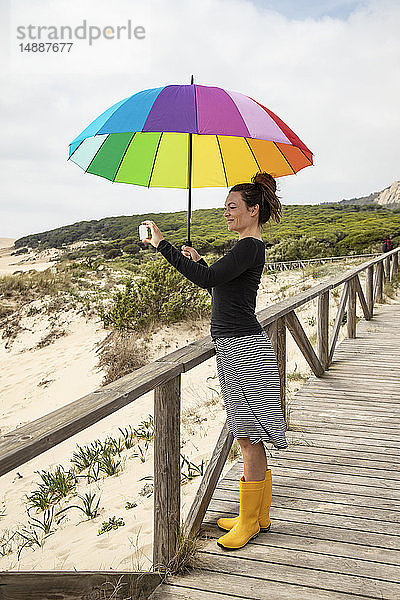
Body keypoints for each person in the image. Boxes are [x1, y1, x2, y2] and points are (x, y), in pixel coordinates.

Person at [141, 171, 288, 551]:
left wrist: (163, 245)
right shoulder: (247, 247)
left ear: (253, 210)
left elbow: (206, 281)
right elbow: (220, 280)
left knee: (248, 436)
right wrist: (200, 260)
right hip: (238, 344)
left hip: (243, 349)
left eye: (232, 207)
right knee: (249, 433)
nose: (226, 212)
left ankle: (250, 522)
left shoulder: (248, 246)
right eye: (224, 207)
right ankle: (257, 514)